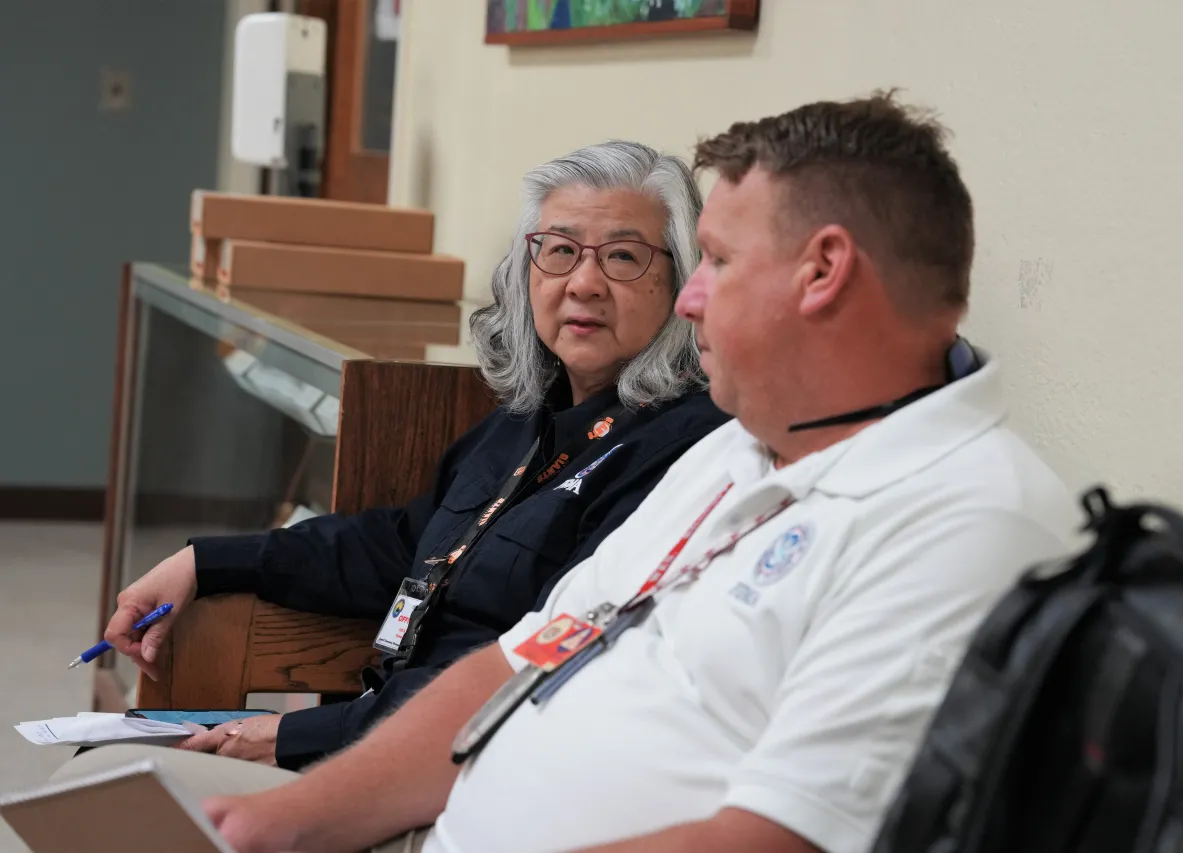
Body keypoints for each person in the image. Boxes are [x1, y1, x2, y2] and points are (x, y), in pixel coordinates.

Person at [61, 94, 1080, 853]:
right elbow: (513, 662)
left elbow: (776, 841)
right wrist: (276, 824)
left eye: (710, 261)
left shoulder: (963, 518)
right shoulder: (741, 447)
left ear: (820, 271)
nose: (689, 301)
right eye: (557, 253)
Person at [101, 140, 728, 770]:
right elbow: (402, 544)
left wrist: (300, 737)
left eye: (624, 256)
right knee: (113, 771)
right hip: (386, 729)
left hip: (476, 765)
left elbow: (539, 663)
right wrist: (204, 562)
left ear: (681, 282)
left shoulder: (683, 447)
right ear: (525, 272)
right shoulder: (529, 413)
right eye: (560, 251)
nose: (584, 283)